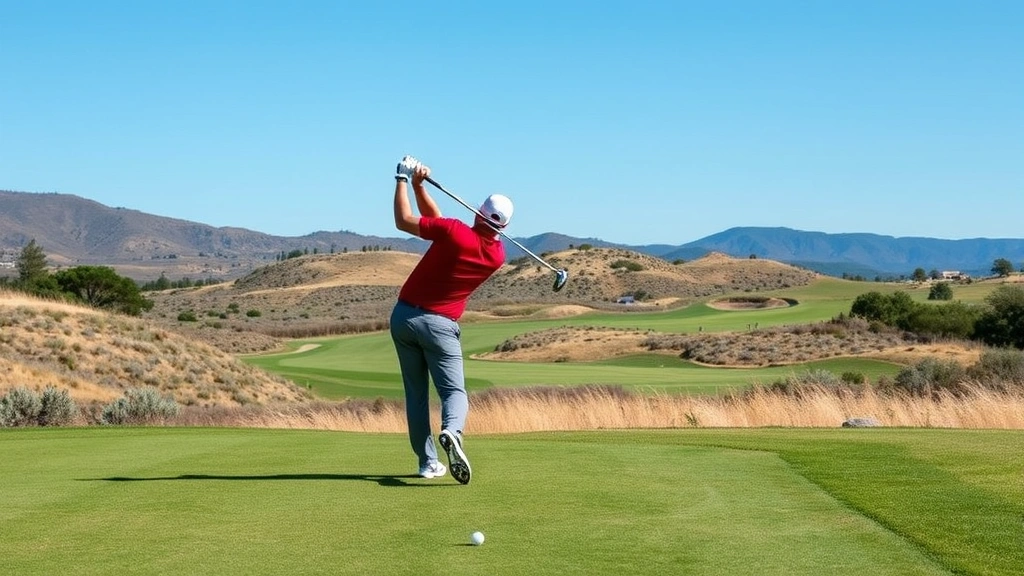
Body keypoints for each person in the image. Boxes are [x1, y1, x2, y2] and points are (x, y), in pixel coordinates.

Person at [389, 155, 513, 484]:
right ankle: (452, 431)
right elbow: (438, 226)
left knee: (416, 395)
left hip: (403, 318)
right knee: (453, 393)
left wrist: (402, 178)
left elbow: (404, 221)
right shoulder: (496, 256)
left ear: (478, 212)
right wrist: (419, 186)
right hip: (442, 327)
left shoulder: (455, 231)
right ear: (504, 227)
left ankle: (427, 463)